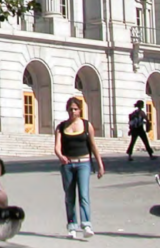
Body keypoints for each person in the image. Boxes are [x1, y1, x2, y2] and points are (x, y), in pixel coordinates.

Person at [55, 96, 105, 238]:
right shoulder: (61, 127)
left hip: (84, 163)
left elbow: (93, 146)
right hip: (68, 165)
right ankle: (72, 226)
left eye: (75, 109)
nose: (73, 112)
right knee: (69, 196)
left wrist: (100, 165)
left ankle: (86, 224)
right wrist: (60, 156)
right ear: (67, 110)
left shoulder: (86, 124)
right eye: (70, 109)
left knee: (84, 194)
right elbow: (57, 146)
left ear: (80, 110)